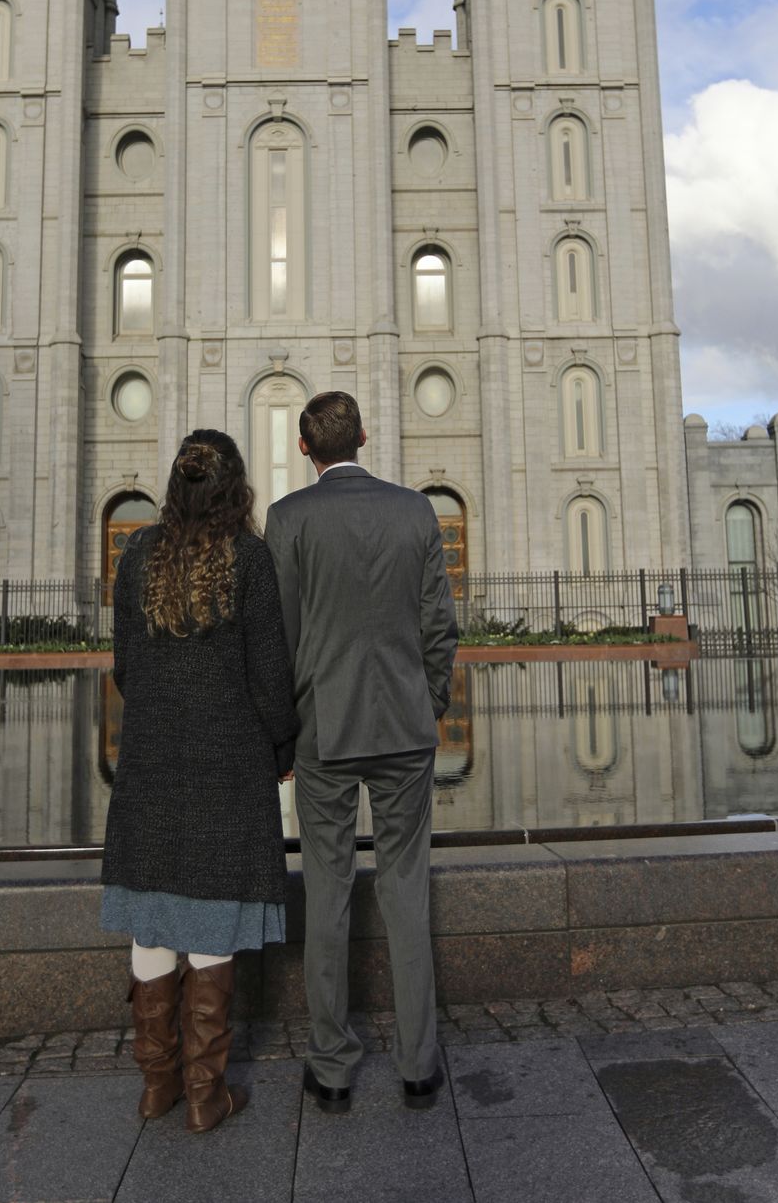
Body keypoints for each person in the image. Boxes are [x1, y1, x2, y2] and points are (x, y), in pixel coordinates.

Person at [265, 391, 459, 1114]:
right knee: (407, 889)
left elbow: (279, 641)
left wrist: (287, 732)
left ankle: (334, 1066)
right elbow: (440, 626)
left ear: (305, 446)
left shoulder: (287, 519)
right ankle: (418, 1063)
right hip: (405, 731)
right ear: (365, 437)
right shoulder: (415, 511)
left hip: (325, 732)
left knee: (328, 889)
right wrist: (427, 701)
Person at [101, 429, 299, 1133]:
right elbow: (272, 680)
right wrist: (282, 746)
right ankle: (206, 1092)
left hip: (152, 760)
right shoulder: (247, 558)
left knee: (153, 913)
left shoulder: (137, 556)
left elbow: (124, 665)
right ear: (235, 489)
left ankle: (157, 1085)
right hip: (228, 763)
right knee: (213, 912)